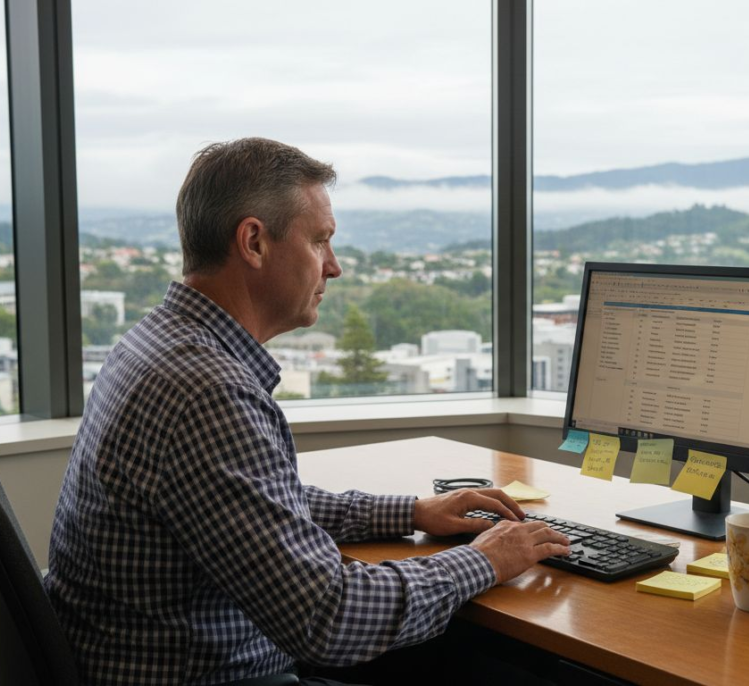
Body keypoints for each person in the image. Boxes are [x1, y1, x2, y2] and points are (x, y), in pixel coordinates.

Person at [44, 137, 571, 685]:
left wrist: (412, 513)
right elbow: (330, 619)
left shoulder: (155, 344)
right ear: (254, 242)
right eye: (320, 241)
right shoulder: (207, 390)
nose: (335, 267)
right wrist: (485, 559)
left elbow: (256, 503)